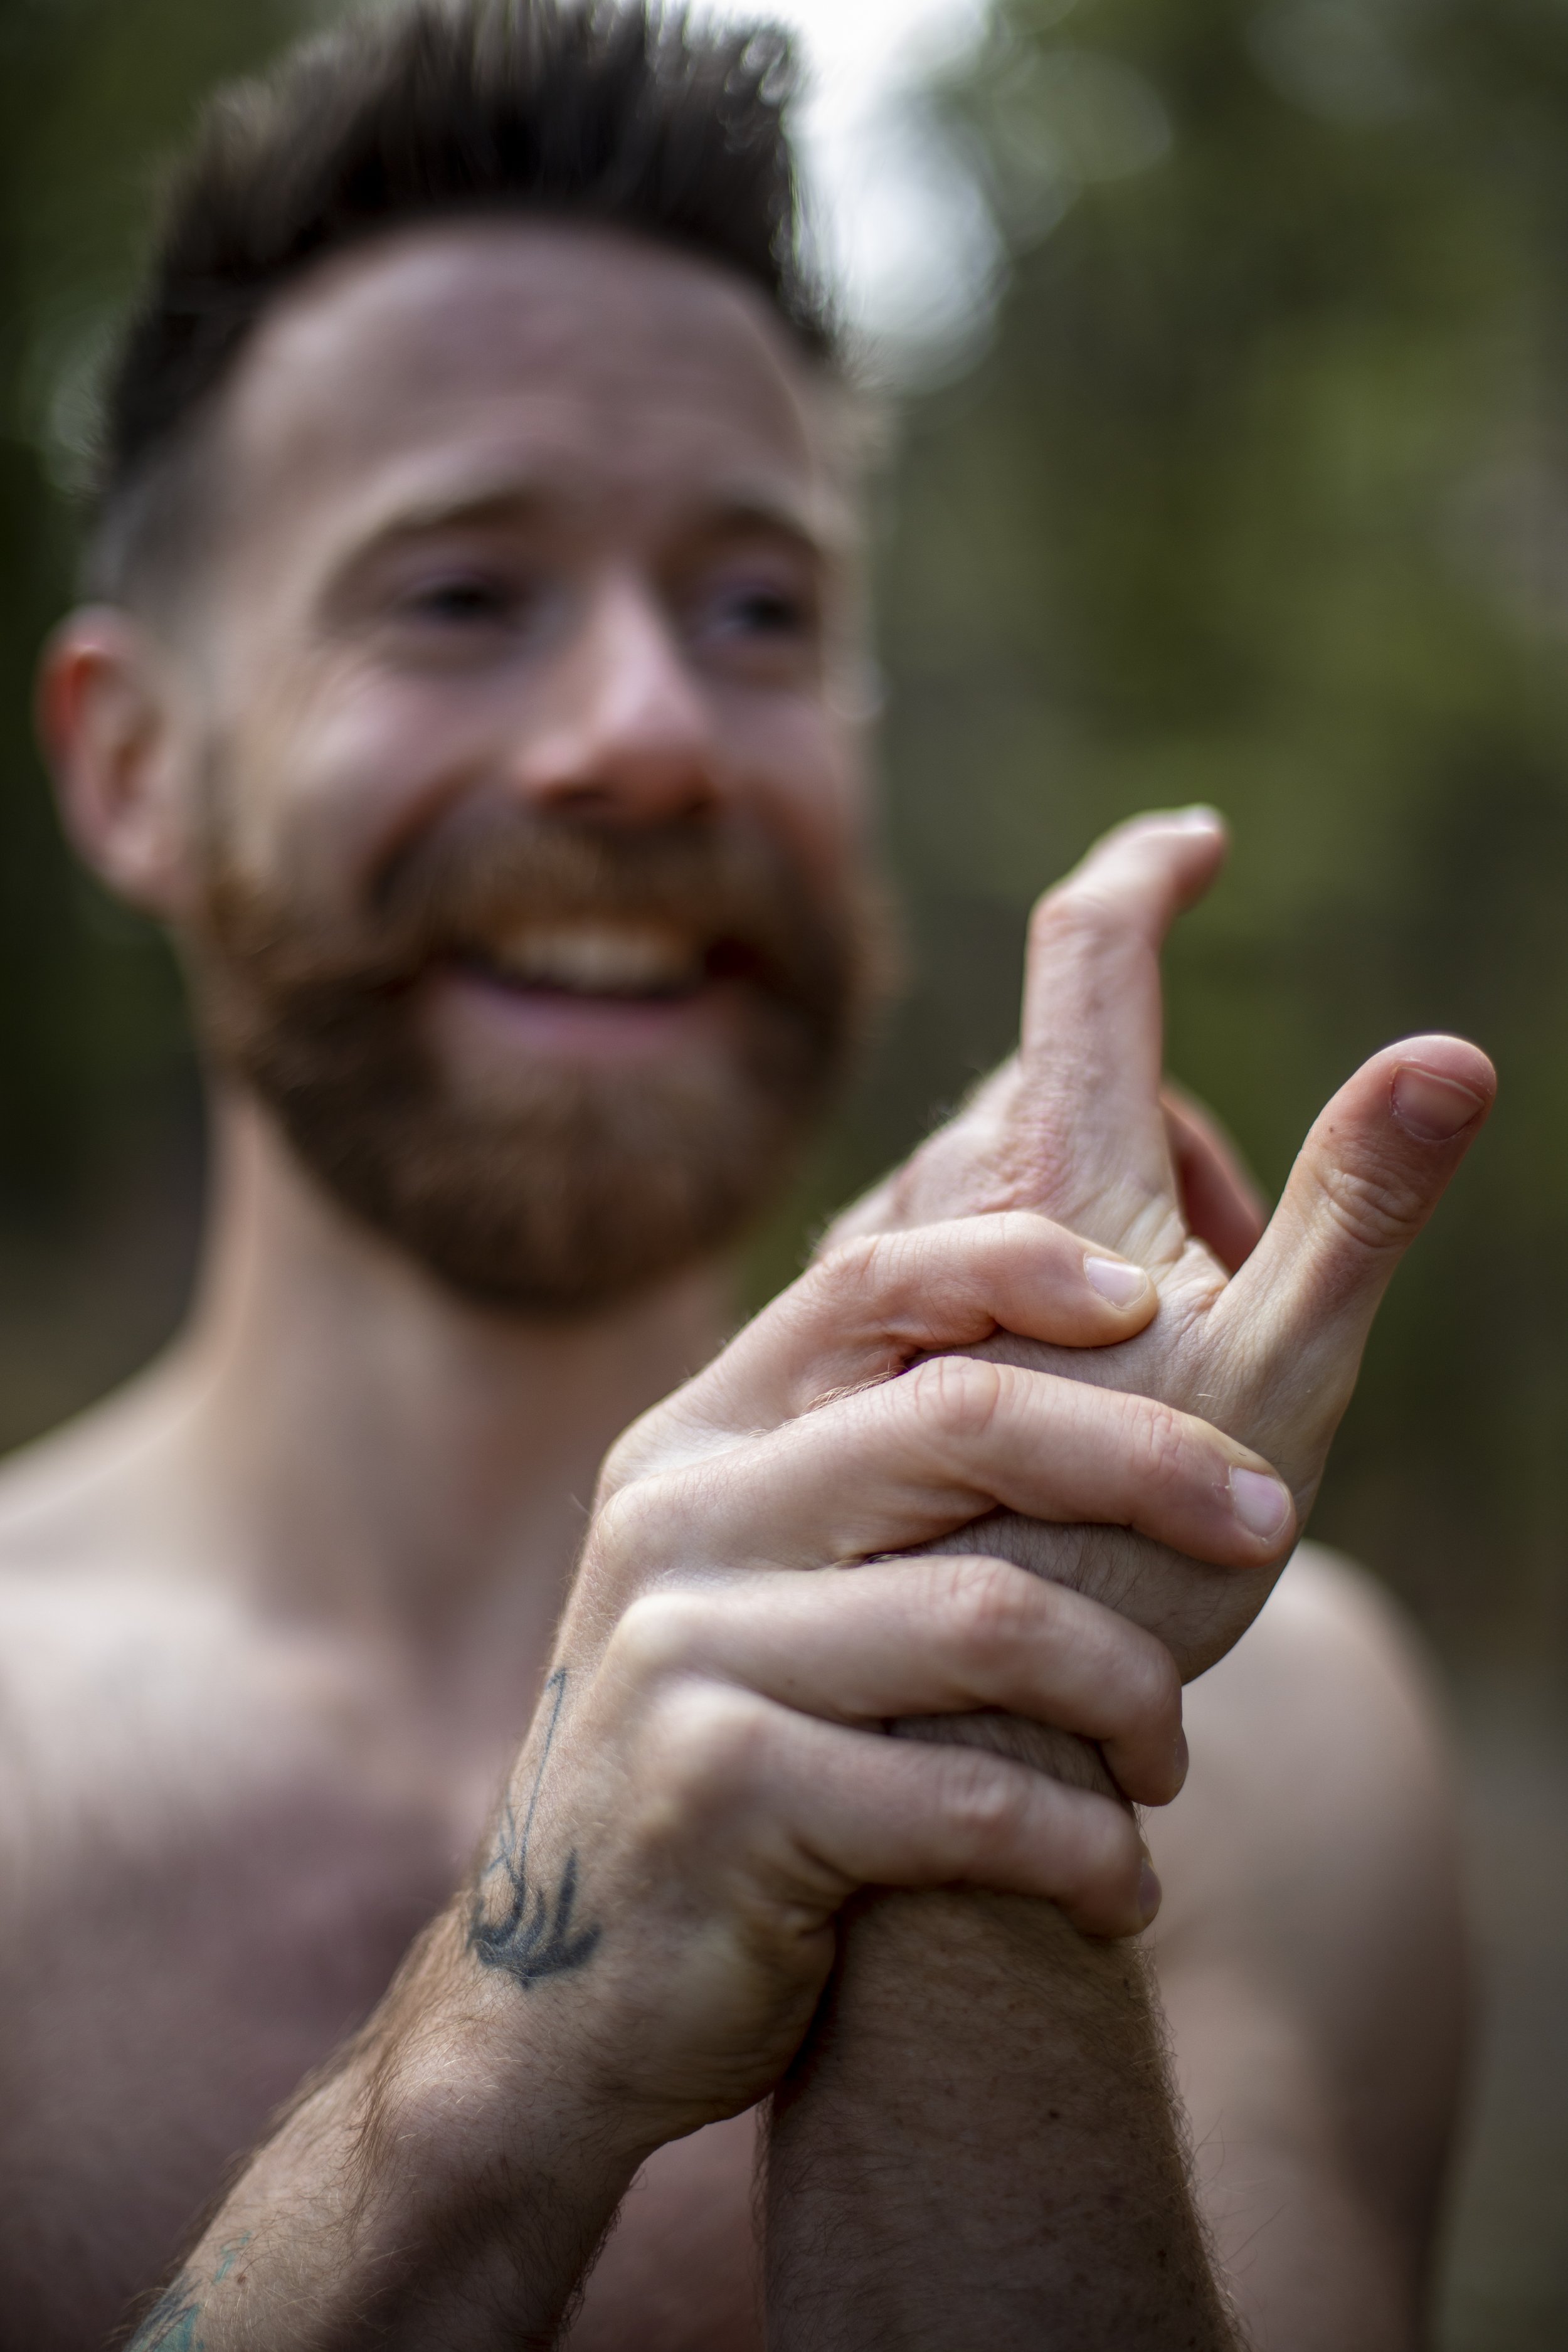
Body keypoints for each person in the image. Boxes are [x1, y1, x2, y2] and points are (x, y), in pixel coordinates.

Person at [0, 4, 1489, 2346]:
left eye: (759, 608)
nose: (651, 735)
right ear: (133, 768)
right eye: (459, 596)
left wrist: (988, 1744)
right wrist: (481, 2089)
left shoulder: (1275, 1739)